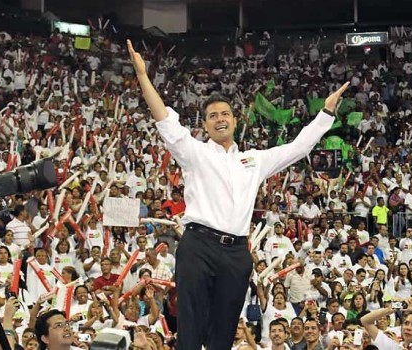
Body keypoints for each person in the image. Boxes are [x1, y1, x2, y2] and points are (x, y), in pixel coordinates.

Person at [127, 39, 349, 349]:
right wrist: (142, 78)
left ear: (235, 120)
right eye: (213, 115)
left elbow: (298, 148)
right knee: (190, 327)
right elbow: (164, 119)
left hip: (236, 252)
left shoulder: (255, 160)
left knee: (224, 331)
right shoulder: (194, 152)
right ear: (204, 124)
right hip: (198, 245)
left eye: (225, 114)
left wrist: (325, 113)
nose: (220, 119)